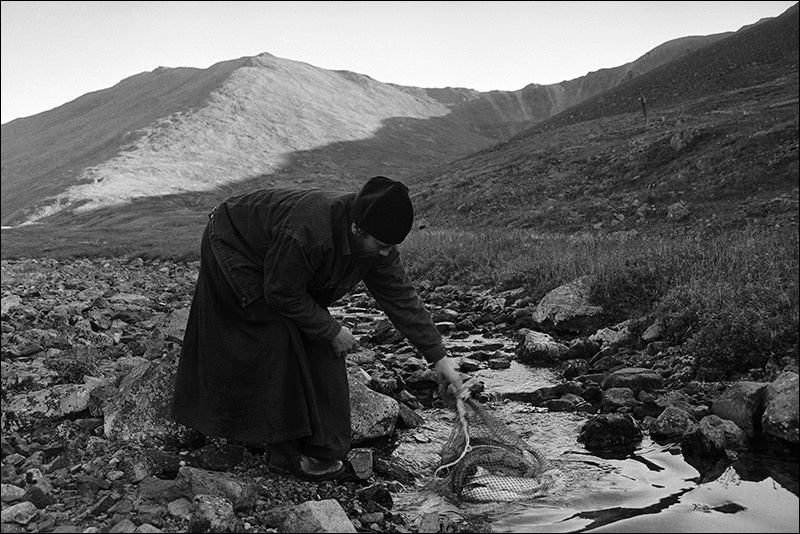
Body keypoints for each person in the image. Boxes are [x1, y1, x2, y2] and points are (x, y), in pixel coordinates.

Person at [170, 175, 464, 481]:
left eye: (391, 247)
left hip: (279, 259)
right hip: (232, 241)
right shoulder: (309, 232)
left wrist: (439, 358)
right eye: (381, 246)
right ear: (356, 228)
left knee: (318, 339)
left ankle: (322, 446)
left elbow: (402, 298)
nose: (385, 254)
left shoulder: (376, 239)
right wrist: (332, 330)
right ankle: (282, 451)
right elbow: (281, 293)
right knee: (275, 332)